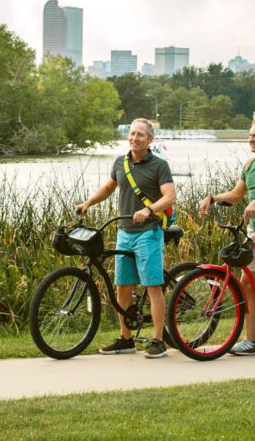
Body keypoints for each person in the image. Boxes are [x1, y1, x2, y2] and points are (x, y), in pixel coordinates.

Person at [76, 118, 176, 358]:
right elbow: (109, 188)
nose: (134, 138)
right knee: (122, 287)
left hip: (148, 233)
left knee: (153, 287)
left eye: (140, 135)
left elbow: (170, 197)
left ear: (150, 140)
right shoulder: (120, 163)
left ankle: (158, 340)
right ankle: (126, 339)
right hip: (124, 232)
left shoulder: (159, 166)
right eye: (132, 134)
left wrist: (149, 209)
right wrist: (88, 203)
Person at [198, 117, 255, 358]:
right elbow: (237, 195)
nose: (250, 139)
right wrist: (213, 198)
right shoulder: (250, 165)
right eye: (249, 135)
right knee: (247, 284)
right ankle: (250, 340)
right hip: (254, 232)